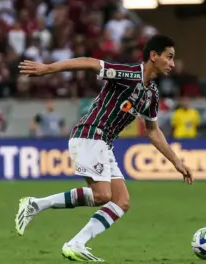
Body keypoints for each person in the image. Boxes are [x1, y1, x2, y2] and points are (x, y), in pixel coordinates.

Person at [15, 35, 193, 262]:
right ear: (153, 56)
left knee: (121, 202)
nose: (173, 64)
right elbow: (91, 63)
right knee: (102, 195)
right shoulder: (129, 74)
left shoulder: (152, 94)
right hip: (90, 133)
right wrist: (48, 68)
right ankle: (38, 206)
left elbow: (153, 130)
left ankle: (75, 242)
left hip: (104, 142)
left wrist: (176, 161)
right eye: (169, 57)